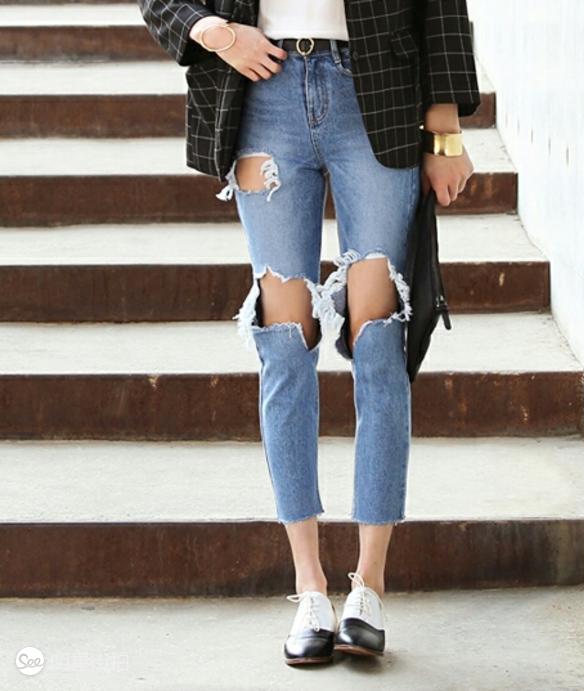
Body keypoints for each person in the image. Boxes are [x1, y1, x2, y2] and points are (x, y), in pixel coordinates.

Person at [140, 0, 479, 666]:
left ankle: (369, 587)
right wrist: (214, 34)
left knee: (379, 341)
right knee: (285, 344)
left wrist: (444, 131)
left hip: (374, 93)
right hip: (262, 96)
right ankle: (310, 588)